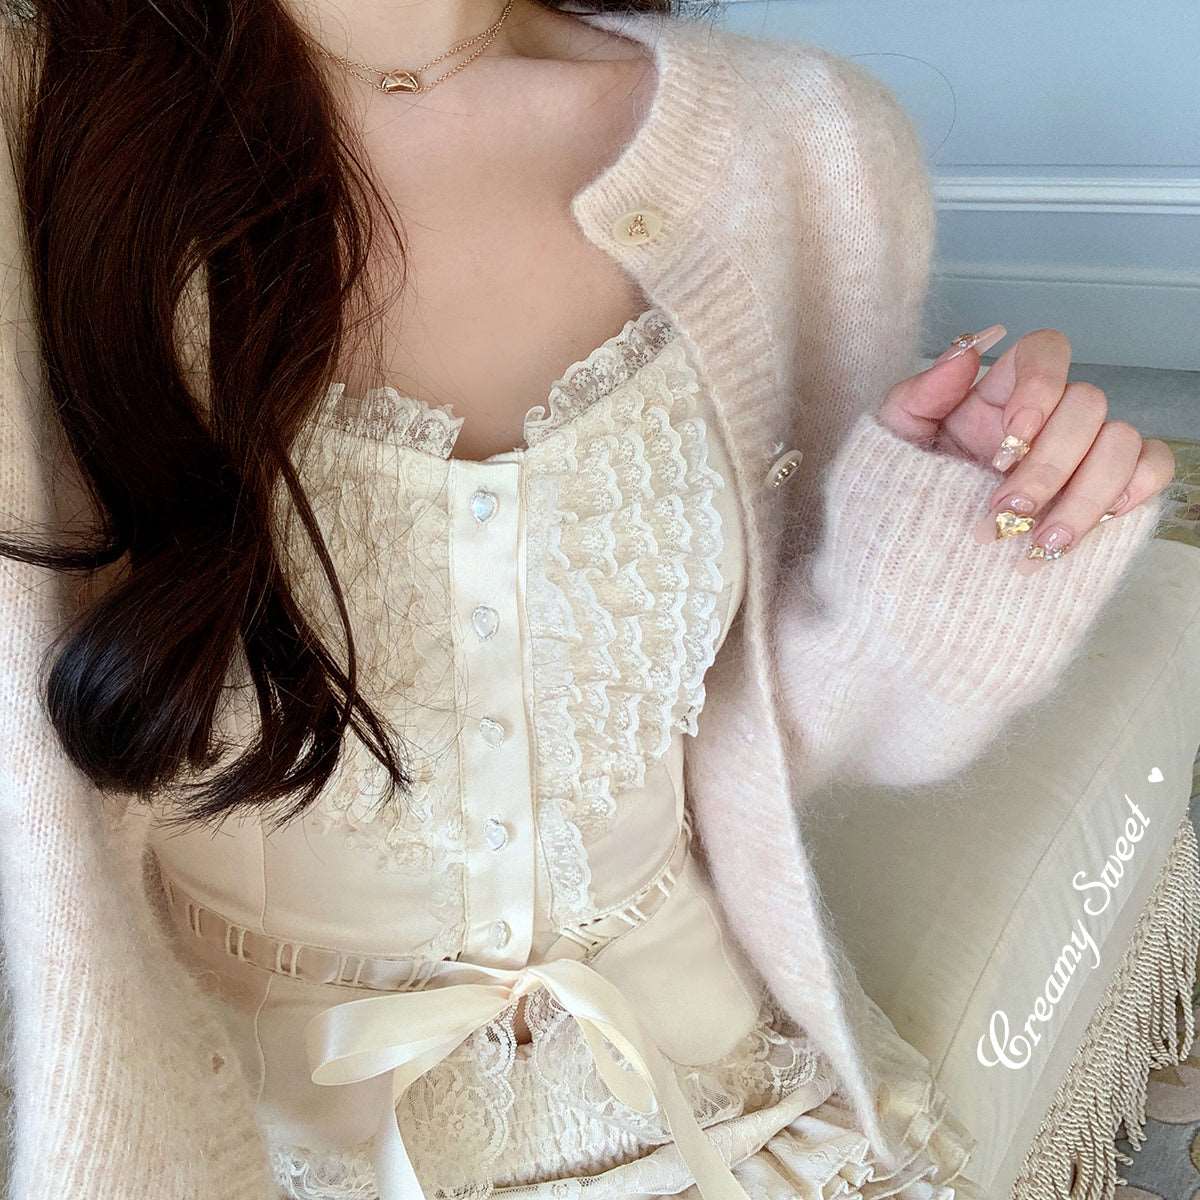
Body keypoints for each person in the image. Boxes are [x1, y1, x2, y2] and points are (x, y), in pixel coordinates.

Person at [0, 2, 1177, 1198]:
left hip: (712, 1106)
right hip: (214, 1135)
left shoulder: (809, 147)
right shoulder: (32, 127)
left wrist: (945, 583)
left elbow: (768, 737)